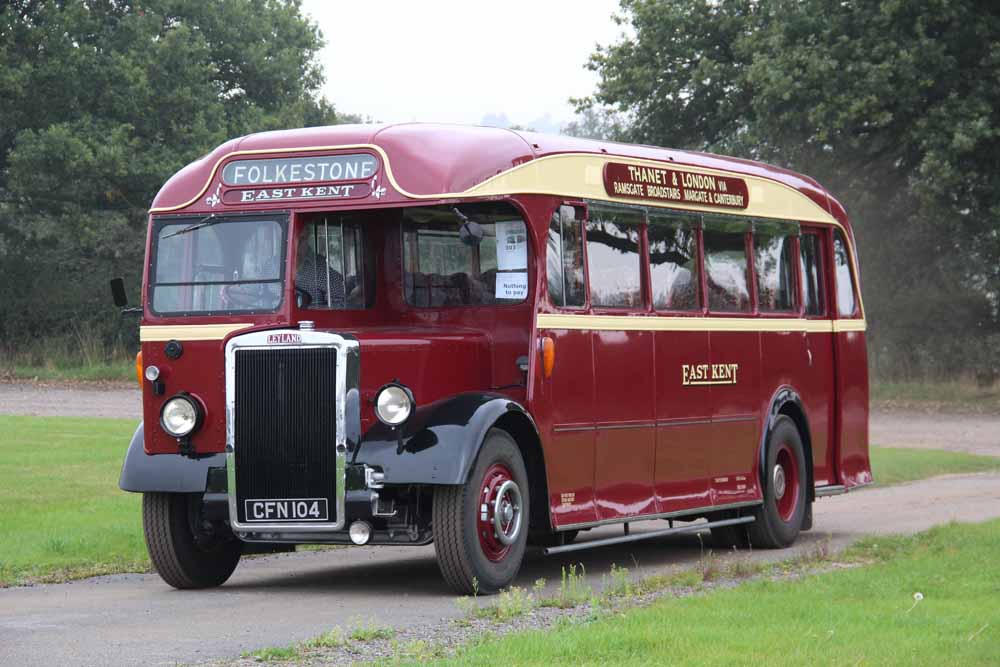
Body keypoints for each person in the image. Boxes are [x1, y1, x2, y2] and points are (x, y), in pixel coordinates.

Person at [295, 229, 345, 308]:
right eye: (290, 241)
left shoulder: (320, 267)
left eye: (300, 240)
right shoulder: (271, 265)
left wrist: (312, 311)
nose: (295, 245)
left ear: (307, 239)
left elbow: (341, 303)